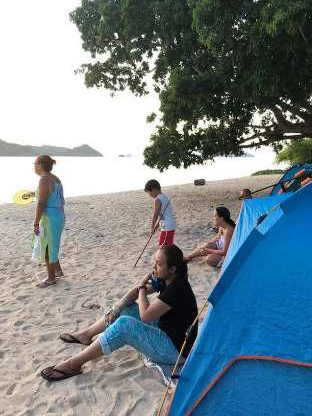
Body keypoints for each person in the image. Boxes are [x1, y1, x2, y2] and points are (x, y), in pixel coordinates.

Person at [40, 245, 198, 382]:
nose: (154, 267)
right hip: (165, 330)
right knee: (126, 308)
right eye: (155, 262)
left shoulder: (177, 288)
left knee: (124, 325)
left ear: (172, 269)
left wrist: (143, 287)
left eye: (158, 264)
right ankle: (86, 335)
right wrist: (117, 308)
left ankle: (75, 364)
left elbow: (145, 315)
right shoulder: (167, 278)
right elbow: (134, 294)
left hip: (174, 352)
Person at [33, 155, 65, 288]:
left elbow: (41, 203)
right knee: (53, 244)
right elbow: (58, 198)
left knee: (47, 247)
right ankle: (57, 271)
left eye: (35, 163)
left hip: (50, 218)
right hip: (59, 215)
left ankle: (51, 278)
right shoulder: (54, 178)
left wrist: (36, 222)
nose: (34, 166)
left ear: (40, 165)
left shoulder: (44, 180)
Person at [144, 179, 176, 246]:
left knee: (163, 247)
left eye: (149, 193)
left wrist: (152, 227)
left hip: (167, 226)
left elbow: (155, 215)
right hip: (170, 224)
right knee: (167, 246)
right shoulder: (164, 197)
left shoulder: (157, 200)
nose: (149, 195)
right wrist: (157, 225)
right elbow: (162, 215)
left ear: (153, 190)